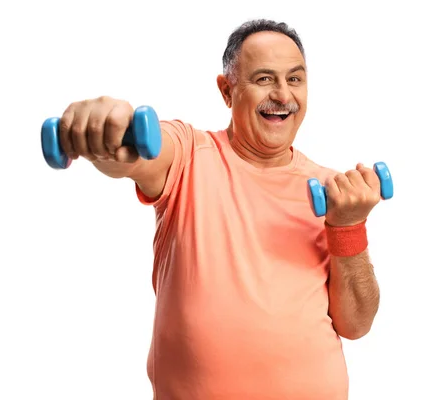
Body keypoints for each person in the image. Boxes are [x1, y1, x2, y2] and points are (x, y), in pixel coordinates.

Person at [57, 19, 382, 400]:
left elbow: (356, 323)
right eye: (264, 79)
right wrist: (112, 131)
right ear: (227, 91)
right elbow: (140, 153)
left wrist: (347, 227)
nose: (282, 95)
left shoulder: (332, 191)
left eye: (294, 79)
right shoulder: (190, 154)